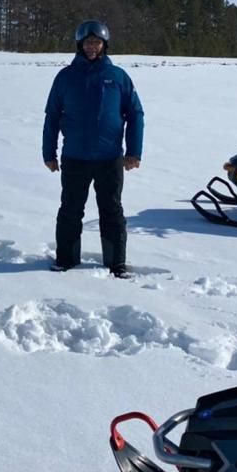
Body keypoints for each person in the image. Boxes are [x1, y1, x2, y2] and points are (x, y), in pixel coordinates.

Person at [42, 19, 144, 278]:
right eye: (87, 42)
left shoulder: (117, 77)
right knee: (70, 210)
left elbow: (135, 113)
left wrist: (134, 151)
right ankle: (65, 259)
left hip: (109, 159)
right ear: (79, 44)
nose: (92, 47)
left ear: (104, 45)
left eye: (96, 42)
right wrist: (49, 153)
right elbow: (52, 115)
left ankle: (115, 262)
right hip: (75, 157)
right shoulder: (65, 77)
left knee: (111, 210)